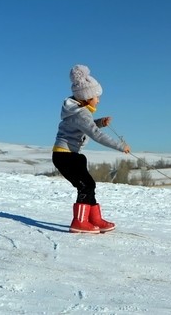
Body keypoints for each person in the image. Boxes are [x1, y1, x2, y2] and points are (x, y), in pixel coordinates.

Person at [52, 64, 130, 234]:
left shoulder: (77, 112)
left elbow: (86, 127)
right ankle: (79, 221)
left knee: (89, 185)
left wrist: (100, 122)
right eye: (96, 96)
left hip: (70, 155)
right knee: (85, 185)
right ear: (87, 97)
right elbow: (95, 135)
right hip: (65, 156)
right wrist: (120, 146)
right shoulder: (81, 113)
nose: (99, 100)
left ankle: (94, 219)